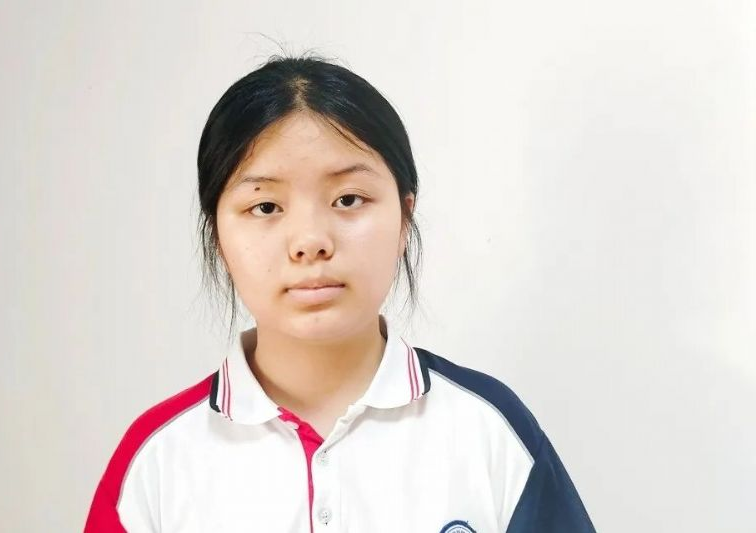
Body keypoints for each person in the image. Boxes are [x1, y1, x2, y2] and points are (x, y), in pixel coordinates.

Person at [85, 53, 596, 533]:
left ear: (404, 218)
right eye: (265, 207)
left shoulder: (489, 430)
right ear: (218, 235)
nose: (310, 241)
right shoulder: (158, 460)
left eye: (348, 199)